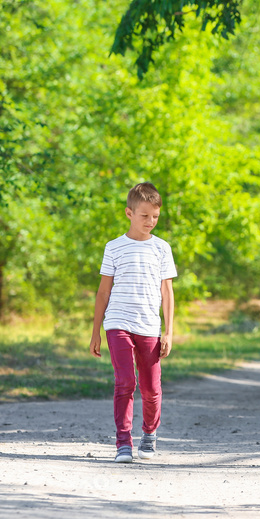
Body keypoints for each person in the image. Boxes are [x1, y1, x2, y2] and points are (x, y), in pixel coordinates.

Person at [90, 182, 177, 463]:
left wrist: (169, 331)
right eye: (144, 216)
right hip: (118, 321)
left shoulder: (162, 248)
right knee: (125, 381)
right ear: (129, 213)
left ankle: (149, 435)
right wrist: (95, 332)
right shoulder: (114, 247)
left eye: (155, 216)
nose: (150, 222)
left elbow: (167, 292)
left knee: (151, 389)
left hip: (149, 325)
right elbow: (103, 291)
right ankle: (123, 443)